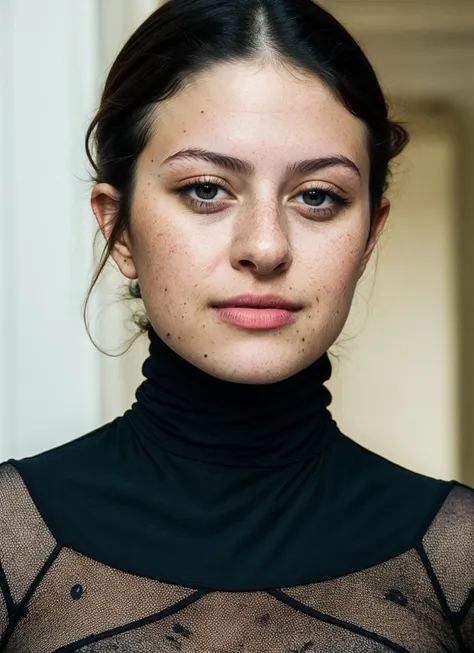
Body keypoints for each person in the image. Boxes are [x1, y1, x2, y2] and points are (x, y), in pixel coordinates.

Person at [1, 0, 473, 650]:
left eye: (318, 196)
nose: (266, 247)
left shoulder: (461, 561)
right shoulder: (8, 542)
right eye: (205, 189)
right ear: (118, 228)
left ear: (369, 237)